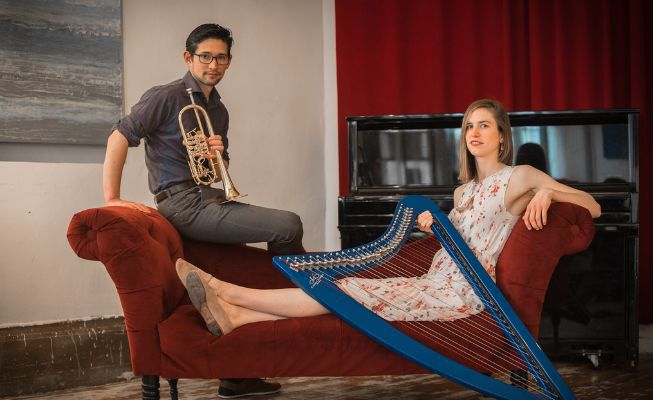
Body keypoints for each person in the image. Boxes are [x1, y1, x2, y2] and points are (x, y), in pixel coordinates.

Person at [174, 98, 601, 337]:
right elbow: (458, 241)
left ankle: (227, 291)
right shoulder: (462, 191)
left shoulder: (519, 177)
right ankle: (238, 317)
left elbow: (591, 205)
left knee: (344, 289)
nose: (474, 133)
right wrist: (436, 226)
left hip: (463, 293)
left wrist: (547, 191)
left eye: (485, 126)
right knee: (345, 295)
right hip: (434, 281)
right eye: (470, 126)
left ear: (502, 135)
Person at [102, 23, 303, 399]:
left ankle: (237, 377)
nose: (213, 64)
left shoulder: (218, 110)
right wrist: (111, 198)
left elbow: (215, 173)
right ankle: (299, 307)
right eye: (205, 56)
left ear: (229, 61)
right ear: (188, 57)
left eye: (220, 57)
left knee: (248, 263)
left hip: (209, 197)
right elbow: (119, 136)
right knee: (288, 226)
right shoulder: (166, 96)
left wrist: (217, 155)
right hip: (182, 204)